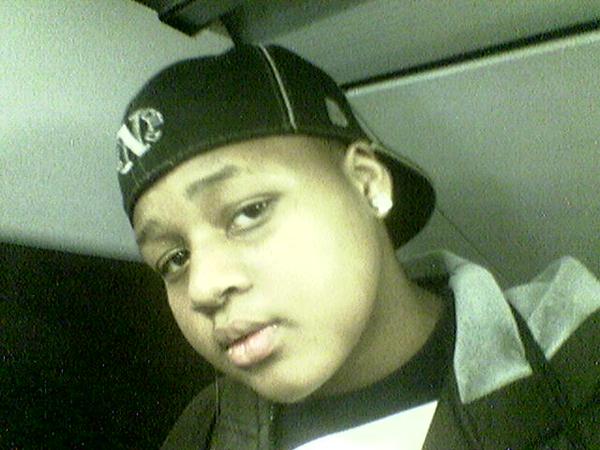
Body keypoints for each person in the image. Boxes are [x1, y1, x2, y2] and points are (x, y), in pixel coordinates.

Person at [115, 44, 599, 449]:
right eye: (174, 259)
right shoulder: (204, 432)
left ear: (367, 184)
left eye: (249, 212)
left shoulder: (578, 369)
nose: (202, 287)